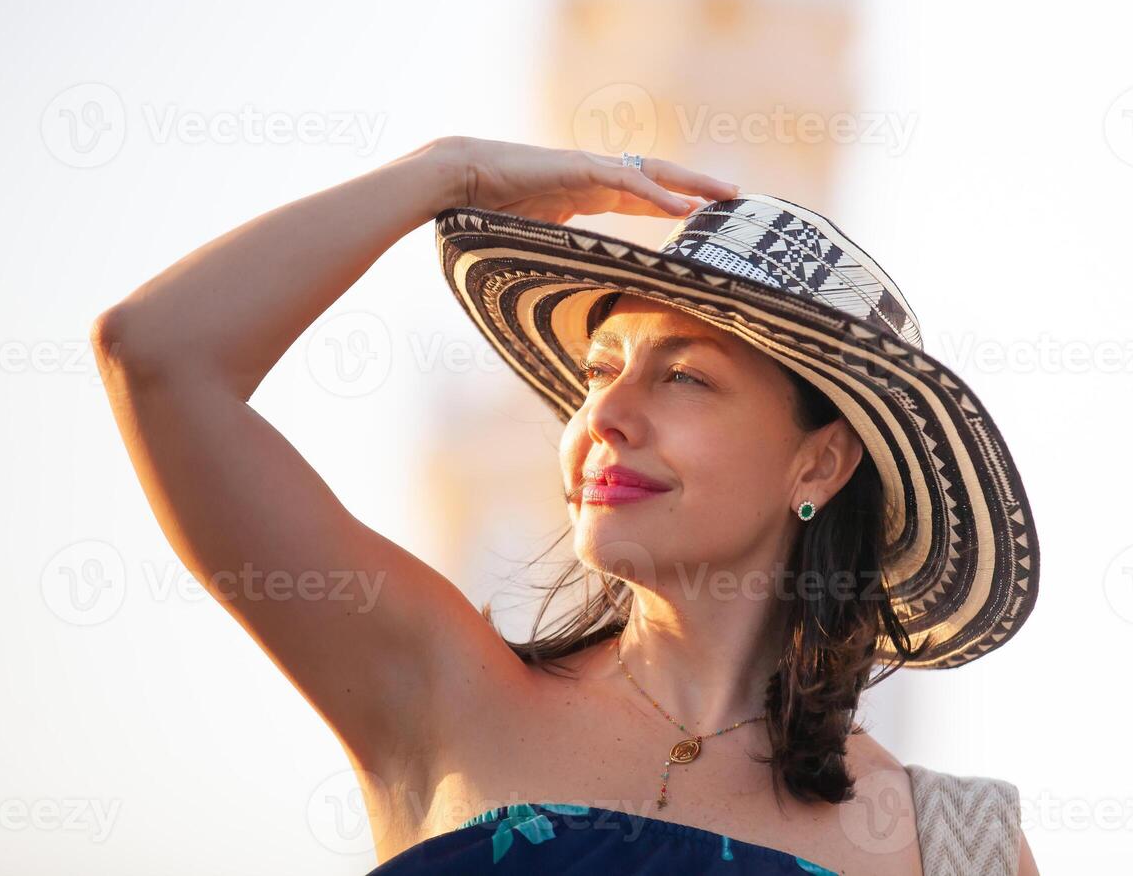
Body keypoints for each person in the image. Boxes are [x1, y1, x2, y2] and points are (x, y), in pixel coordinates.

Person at [91, 136, 1041, 875]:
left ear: (820, 464)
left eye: (685, 379)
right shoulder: (435, 688)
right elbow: (157, 354)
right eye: (598, 372)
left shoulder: (954, 845)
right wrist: (444, 171)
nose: (608, 417)